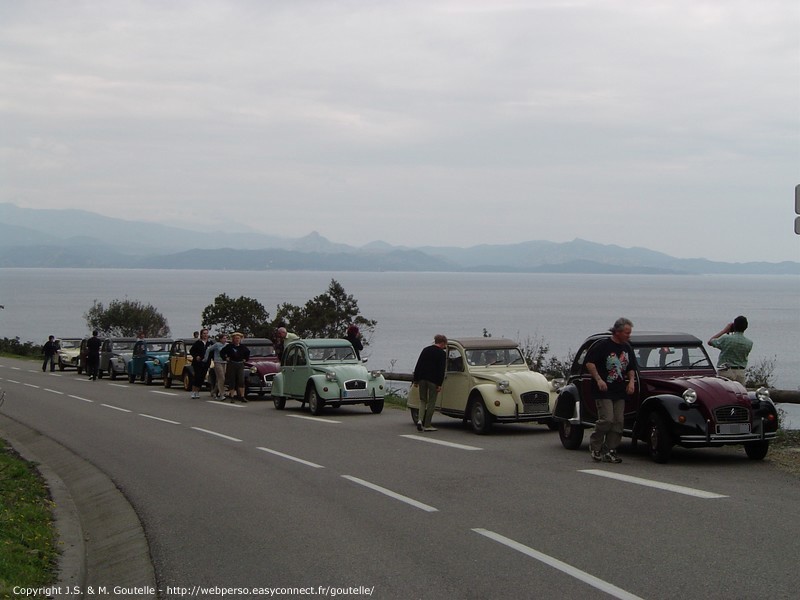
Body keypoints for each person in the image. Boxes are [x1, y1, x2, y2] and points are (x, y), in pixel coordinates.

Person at [585, 318, 637, 464]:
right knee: (607, 419)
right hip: (604, 389)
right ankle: (595, 446)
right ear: (618, 332)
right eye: (627, 333)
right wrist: (599, 379)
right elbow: (589, 363)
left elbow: (631, 367)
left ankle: (610, 450)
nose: (629, 335)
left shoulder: (627, 347)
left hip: (620, 390)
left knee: (618, 421)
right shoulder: (603, 345)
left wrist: (631, 382)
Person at [412, 334, 448, 432]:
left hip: (422, 378)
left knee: (423, 400)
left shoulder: (425, 350)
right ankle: (427, 424)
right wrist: (439, 384)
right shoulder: (441, 354)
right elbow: (441, 370)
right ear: (442, 343)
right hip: (433, 380)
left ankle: (419, 420)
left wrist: (415, 380)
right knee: (431, 402)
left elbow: (418, 364)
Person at [708, 316, 753, 385]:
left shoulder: (726, 338)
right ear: (746, 327)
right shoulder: (749, 343)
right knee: (739, 394)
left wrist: (724, 331)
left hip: (725, 371)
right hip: (740, 372)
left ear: (734, 326)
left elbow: (710, 342)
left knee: (724, 393)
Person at [220, 332, 250, 402]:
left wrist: (245, 359)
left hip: (240, 364)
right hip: (232, 364)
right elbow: (222, 352)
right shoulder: (229, 346)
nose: (237, 340)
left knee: (241, 380)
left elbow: (247, 353)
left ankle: (242, 396)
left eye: (238, 338)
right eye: (236, 338)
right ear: (233, 339)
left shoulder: (243, 347)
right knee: (232, 380)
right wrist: (225, 358)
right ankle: (232, 396)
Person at [204, 333, 229, 400]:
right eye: (224, 338)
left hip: (224, 362)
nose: (225, 339)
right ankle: (222, 394)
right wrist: (206, 358)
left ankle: (214, 392)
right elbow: (208, 349)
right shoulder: (217, 345)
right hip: (217, 362)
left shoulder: (227, 345)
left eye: (226, 338)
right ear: (220, 339)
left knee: (220, 379)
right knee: (222, 378)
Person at [189, 328, 212, 399]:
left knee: (202, 378)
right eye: (204, 333)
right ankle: (193, 392)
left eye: (206, 333)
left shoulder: (210, 343)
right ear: (201, 334)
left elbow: (213, 352)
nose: (205, 335)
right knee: (197, 377)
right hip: (198, 363)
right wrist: (196, 356)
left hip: (206, 363)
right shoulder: (198, 343)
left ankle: (197, 392)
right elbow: (192, 351)